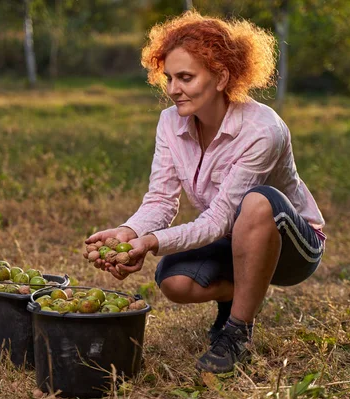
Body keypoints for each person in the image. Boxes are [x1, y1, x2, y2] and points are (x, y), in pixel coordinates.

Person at [85, 11, 326, 374]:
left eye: (186, 77)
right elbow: (161, 201)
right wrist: (130, 232)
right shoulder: (170, 122)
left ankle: (238, 332)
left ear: (221, 77)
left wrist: (151, 242)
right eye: (168, 78)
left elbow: (217, 220)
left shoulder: (263, 130)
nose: (172, 89)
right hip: (233, 237)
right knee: (174, 281)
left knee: (259, 202)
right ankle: (240, 295)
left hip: (295, 245)